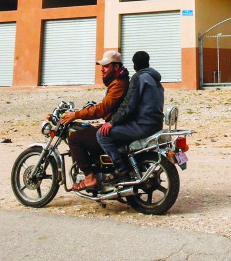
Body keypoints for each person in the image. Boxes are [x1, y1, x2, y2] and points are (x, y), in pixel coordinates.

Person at [62, 50, 129, 191]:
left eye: (106, 66)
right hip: (117, 124)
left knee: (75, 138)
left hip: (118, 128)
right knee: (89, 132)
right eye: (101, 66)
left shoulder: (118, 84)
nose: (102, 69)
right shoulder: (117, 82)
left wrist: (76, 114)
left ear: (116, 67)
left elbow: (102, 109)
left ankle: (89, 178)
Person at [96, 50, 164, 181]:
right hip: (156, 124)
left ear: (135, 64)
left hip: (143, 125)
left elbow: (129, 105)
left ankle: (121, 170)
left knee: (102, 134)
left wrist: (112, 122)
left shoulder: (138, 77)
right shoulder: (155, 79)